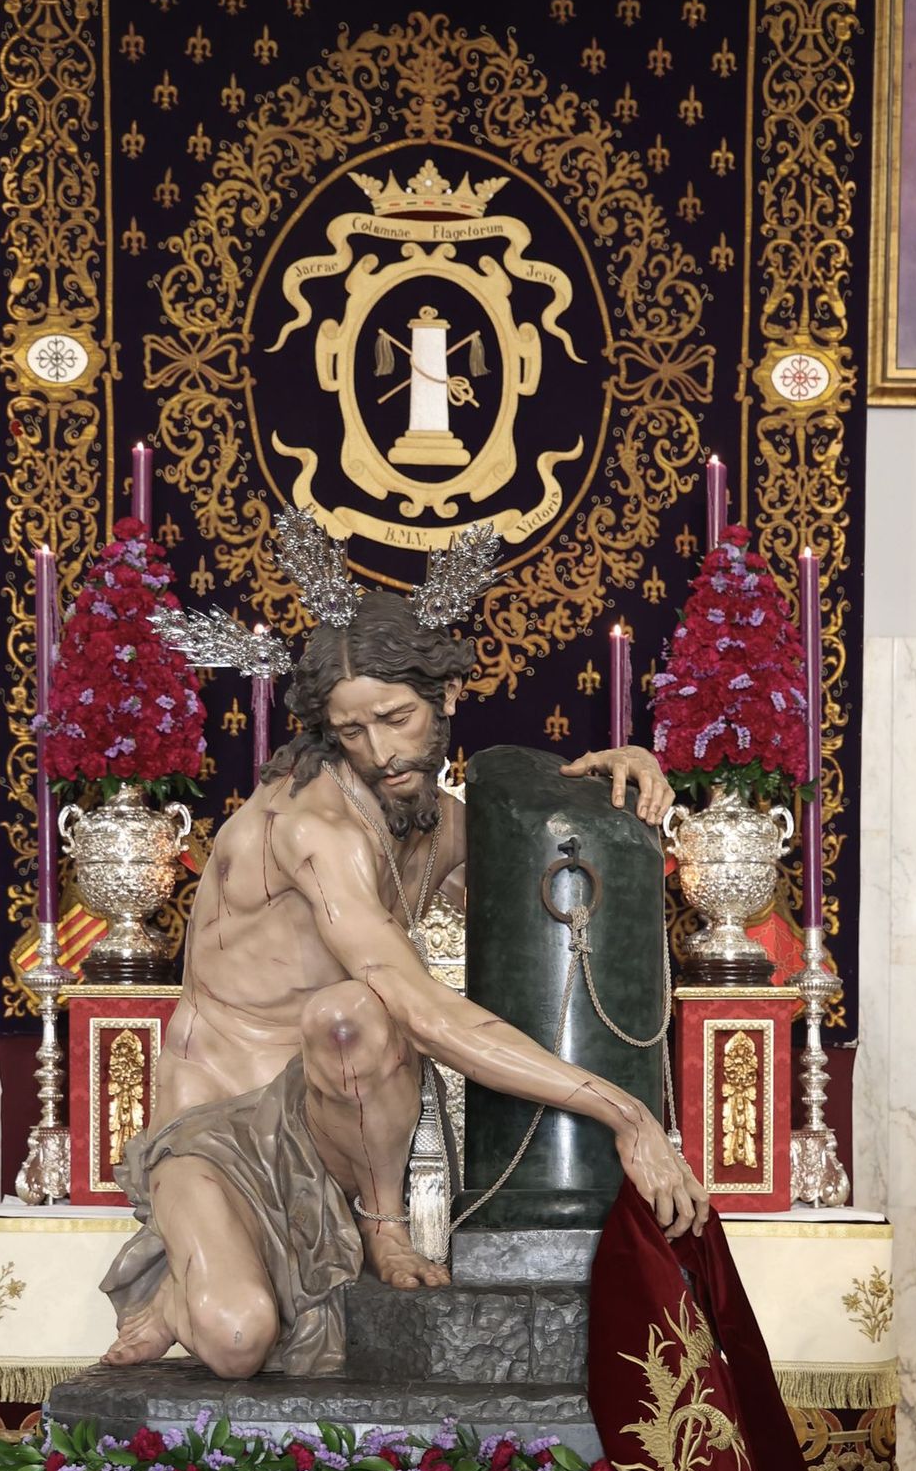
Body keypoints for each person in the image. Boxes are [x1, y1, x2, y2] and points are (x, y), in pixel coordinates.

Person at [101, 587, 706, 1378]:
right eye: (352, 730)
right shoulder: (313, 830)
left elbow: (552, 847)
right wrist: (627, 1116)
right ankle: (183, 1298)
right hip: (220, 1123)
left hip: (339, 1125)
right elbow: (419, 1012)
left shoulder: (430, 822)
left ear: (446, 697)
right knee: (238, 1338)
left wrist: (616, 779)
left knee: (351, 1015)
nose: (381, 751)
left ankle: (380, 1230)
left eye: (397, 719)